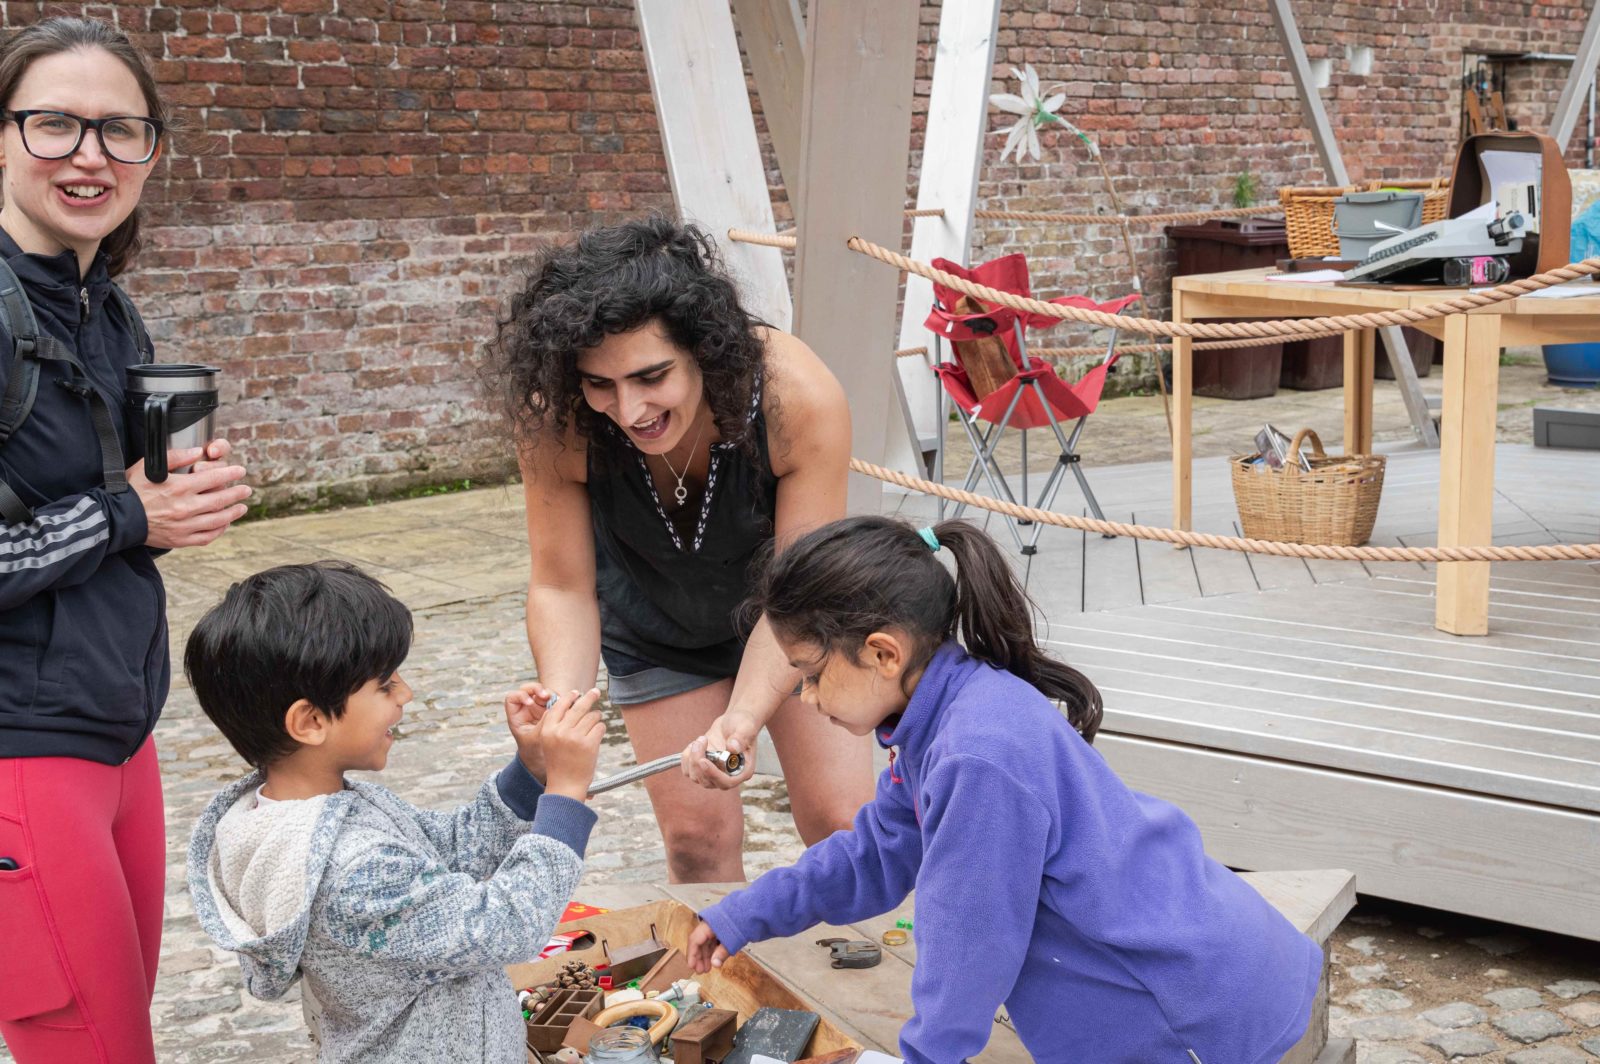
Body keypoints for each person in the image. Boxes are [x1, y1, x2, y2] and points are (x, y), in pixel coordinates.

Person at [685, 517, 1324, 1064]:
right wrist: (746, 913)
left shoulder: (975, 755)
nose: (805, 696)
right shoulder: (942, 715)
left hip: (1189, 1016)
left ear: (882, 653)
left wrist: (930, 1055)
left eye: (812, 673)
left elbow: (969, 938)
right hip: (1185, 972)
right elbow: (877, 851)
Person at [0, 18, 251, 1064]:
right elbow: (109, 516)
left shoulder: (107, 310)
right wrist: (126, 513)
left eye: (119, 129)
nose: (89, 155)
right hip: (20, 747)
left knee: (117, 1034)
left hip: (117, 728)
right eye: (54, 124)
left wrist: (164, 499)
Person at [487, 216, 874, 883]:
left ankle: (873, 982)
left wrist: (741, 723)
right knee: (697, 842)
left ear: (705, 349)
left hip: (794, 613)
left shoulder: (796, 398)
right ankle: (720, 988)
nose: (630, 410)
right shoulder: (556, 420)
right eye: (599, 384)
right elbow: (561, 586)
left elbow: (796, 595)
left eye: (651, 376)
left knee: (843, 822)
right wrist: (561, 713)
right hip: (658, 629)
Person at [185, 561, 604, 1064]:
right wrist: (565, 794)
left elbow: (453, 851)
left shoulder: (327, 810)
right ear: (311, 720)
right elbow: (504, 926)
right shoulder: (352, 869)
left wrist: (530, 772)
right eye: (385, 686)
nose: (405, 694)